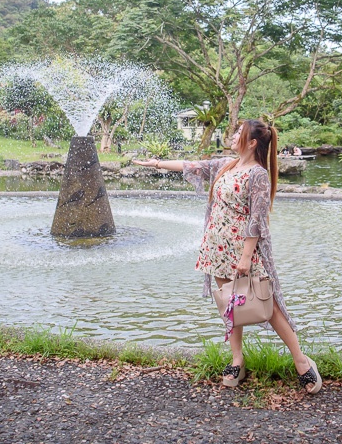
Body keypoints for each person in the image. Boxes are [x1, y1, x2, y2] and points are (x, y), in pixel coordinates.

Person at [133, 119, 321, 394]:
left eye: (238, 134)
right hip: (217, 246)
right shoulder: (226, 164)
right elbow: (191, 166)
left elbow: (257, 219)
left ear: (252, 142)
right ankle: (237, 360)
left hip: (243, 249)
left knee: (269, 307)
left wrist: (246, 257)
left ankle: (301, 361)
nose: (233, 136)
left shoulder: (257, 174)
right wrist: (157, 164)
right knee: (230, 306)